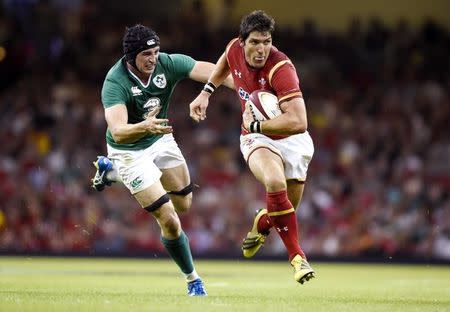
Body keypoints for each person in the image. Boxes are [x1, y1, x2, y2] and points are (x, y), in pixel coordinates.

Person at [91, 24, 234, 296]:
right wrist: (145, 127)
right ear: (130, 56)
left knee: (184, 203)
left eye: (155, 52)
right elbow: (119, 132)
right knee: (168, 218)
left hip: (159, 139)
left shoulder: (168, 63)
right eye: (146, 54)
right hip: (128, 151)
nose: (153, 58)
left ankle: (111, 174)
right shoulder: (115, 81)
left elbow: (216, 72)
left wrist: (249, 94)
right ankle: (193, 279)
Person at [189, 10, 315, 284]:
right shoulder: (234, 48)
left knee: (285, 210)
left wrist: (259, 124)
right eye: (255, 42)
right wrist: (206, 92)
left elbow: (299, 121)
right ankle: (298, 258)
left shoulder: (281, 69)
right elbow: (224, 62)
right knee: (273, 181)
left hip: (290, 138)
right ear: (242, 41)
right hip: (255, 138)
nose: (261, 49)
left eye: (266, 42)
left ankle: (263, 223)